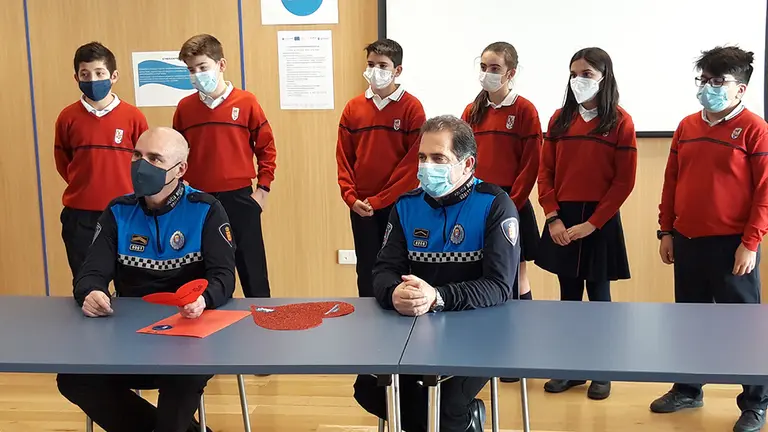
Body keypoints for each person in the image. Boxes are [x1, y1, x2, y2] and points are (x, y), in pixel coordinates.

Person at [56, 127, 235, 432]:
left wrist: (203, 299)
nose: (142, 165)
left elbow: (224, 276)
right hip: (127, 342)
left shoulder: (206, 210)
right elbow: (91, 273)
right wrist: (91, 291)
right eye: (137, 155)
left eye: (154, 158)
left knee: (183, 380)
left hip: (188, 343)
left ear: (180, 169)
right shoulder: (117, 211)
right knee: (73, 379)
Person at [353, 115, 521, 432]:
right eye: (422, 157)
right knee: (369, 390)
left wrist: (438, 297)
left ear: (467, 164)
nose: (426, 166)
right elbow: (384, 270)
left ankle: (459, 419)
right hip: (416, 327)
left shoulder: (495, 205)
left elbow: (499, 286)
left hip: (479, 329)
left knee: (442, 404)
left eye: (438, 158)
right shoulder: (406, 205)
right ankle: (460, 421)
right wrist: (393, 293)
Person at [653, 46, 768, 432]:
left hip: (732, 245)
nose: (708, 88)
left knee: (744, 329)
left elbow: (764, 192)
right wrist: (665, 230)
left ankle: (755, 402)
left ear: (740, 89)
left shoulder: (755, 128)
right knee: (690, 322)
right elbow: (672, 180)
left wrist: (750, 243)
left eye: (719, 82)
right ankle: (688, 388)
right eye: (704, 80)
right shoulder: (687, 126)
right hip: (687, 240)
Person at [535, 47, 637, 400]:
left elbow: (623, 182)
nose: (579, 80)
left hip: (599, 223)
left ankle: (601, 370)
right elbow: (544, 173)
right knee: (568, 299)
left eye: (587, 74)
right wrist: (553, 217)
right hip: (562, 220)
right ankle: (571, 369)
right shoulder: (558, 121)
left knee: (599, 299)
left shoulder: (620, 122)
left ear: (604, 77)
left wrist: (593, 224)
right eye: (574, 73)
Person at [173, 33, 275, 298]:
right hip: (197, 200)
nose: (196, 75)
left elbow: (266, 148)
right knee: (200, 270)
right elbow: (176, 155)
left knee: (253, 271)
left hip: (240, 197)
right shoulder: (184, 108)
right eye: (191, 70)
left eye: (202, 67)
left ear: (221, 65)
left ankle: (262, 322)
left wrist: (262, 189)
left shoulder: (246, 102)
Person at [461, 40, 542, 370]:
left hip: (510, 207)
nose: (487, 74)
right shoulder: (471, 110)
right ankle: (487, 350)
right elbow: (463, 159)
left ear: (510, 72)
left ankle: (519, 351)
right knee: (481, 277)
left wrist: (511, 204)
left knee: (515, 279)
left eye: (494, 68)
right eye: (483, 67)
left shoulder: (525, 111)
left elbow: (531, 164)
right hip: (477, 205)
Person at [336, 38, 426, 298]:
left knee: (398, 265)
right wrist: (350, 197)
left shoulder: (412, 108)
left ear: (397, 70)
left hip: (398, 206)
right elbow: (344, 157)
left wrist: (381, 200)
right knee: (366, 268)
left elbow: (412, 165)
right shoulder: (353, 108)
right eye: (371, 64)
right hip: (361, 206)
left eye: (382, 65)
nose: (375, 71)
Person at [54, 41, 148, 282]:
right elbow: (64, 161)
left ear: (113, 75)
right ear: (76, 77)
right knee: (87, 284)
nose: (93, 80)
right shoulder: (67, 117)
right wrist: (86, 184)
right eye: (85, 74)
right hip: (81, 216)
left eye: (99, 73)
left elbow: (145, 161)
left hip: (127, 212)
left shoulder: (133, 116)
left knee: (132, 284)